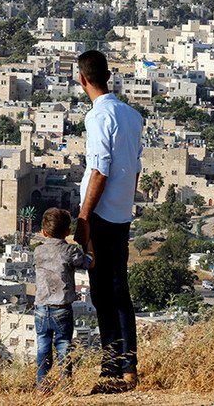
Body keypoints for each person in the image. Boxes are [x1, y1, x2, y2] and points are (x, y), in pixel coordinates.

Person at [73, 50, 144, 393]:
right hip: (121, 213)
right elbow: (135, 170)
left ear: (82, 78)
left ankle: (113, 369)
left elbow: (99, 170)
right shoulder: (132, 116)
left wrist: (84, 218)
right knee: (119, 290)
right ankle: (126, 366)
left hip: (100, 214)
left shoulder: (98, 117)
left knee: (103, 293)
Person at [33, 208, 94, 389]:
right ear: (67, 232)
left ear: (44, 232)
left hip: (41, 307)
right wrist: (89, 244)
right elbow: (89, 263)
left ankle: (41, 386)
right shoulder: (70, 251)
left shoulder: (38, 252)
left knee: (43, 347)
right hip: (62, 308)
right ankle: (65, 386)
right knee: (63, 347)